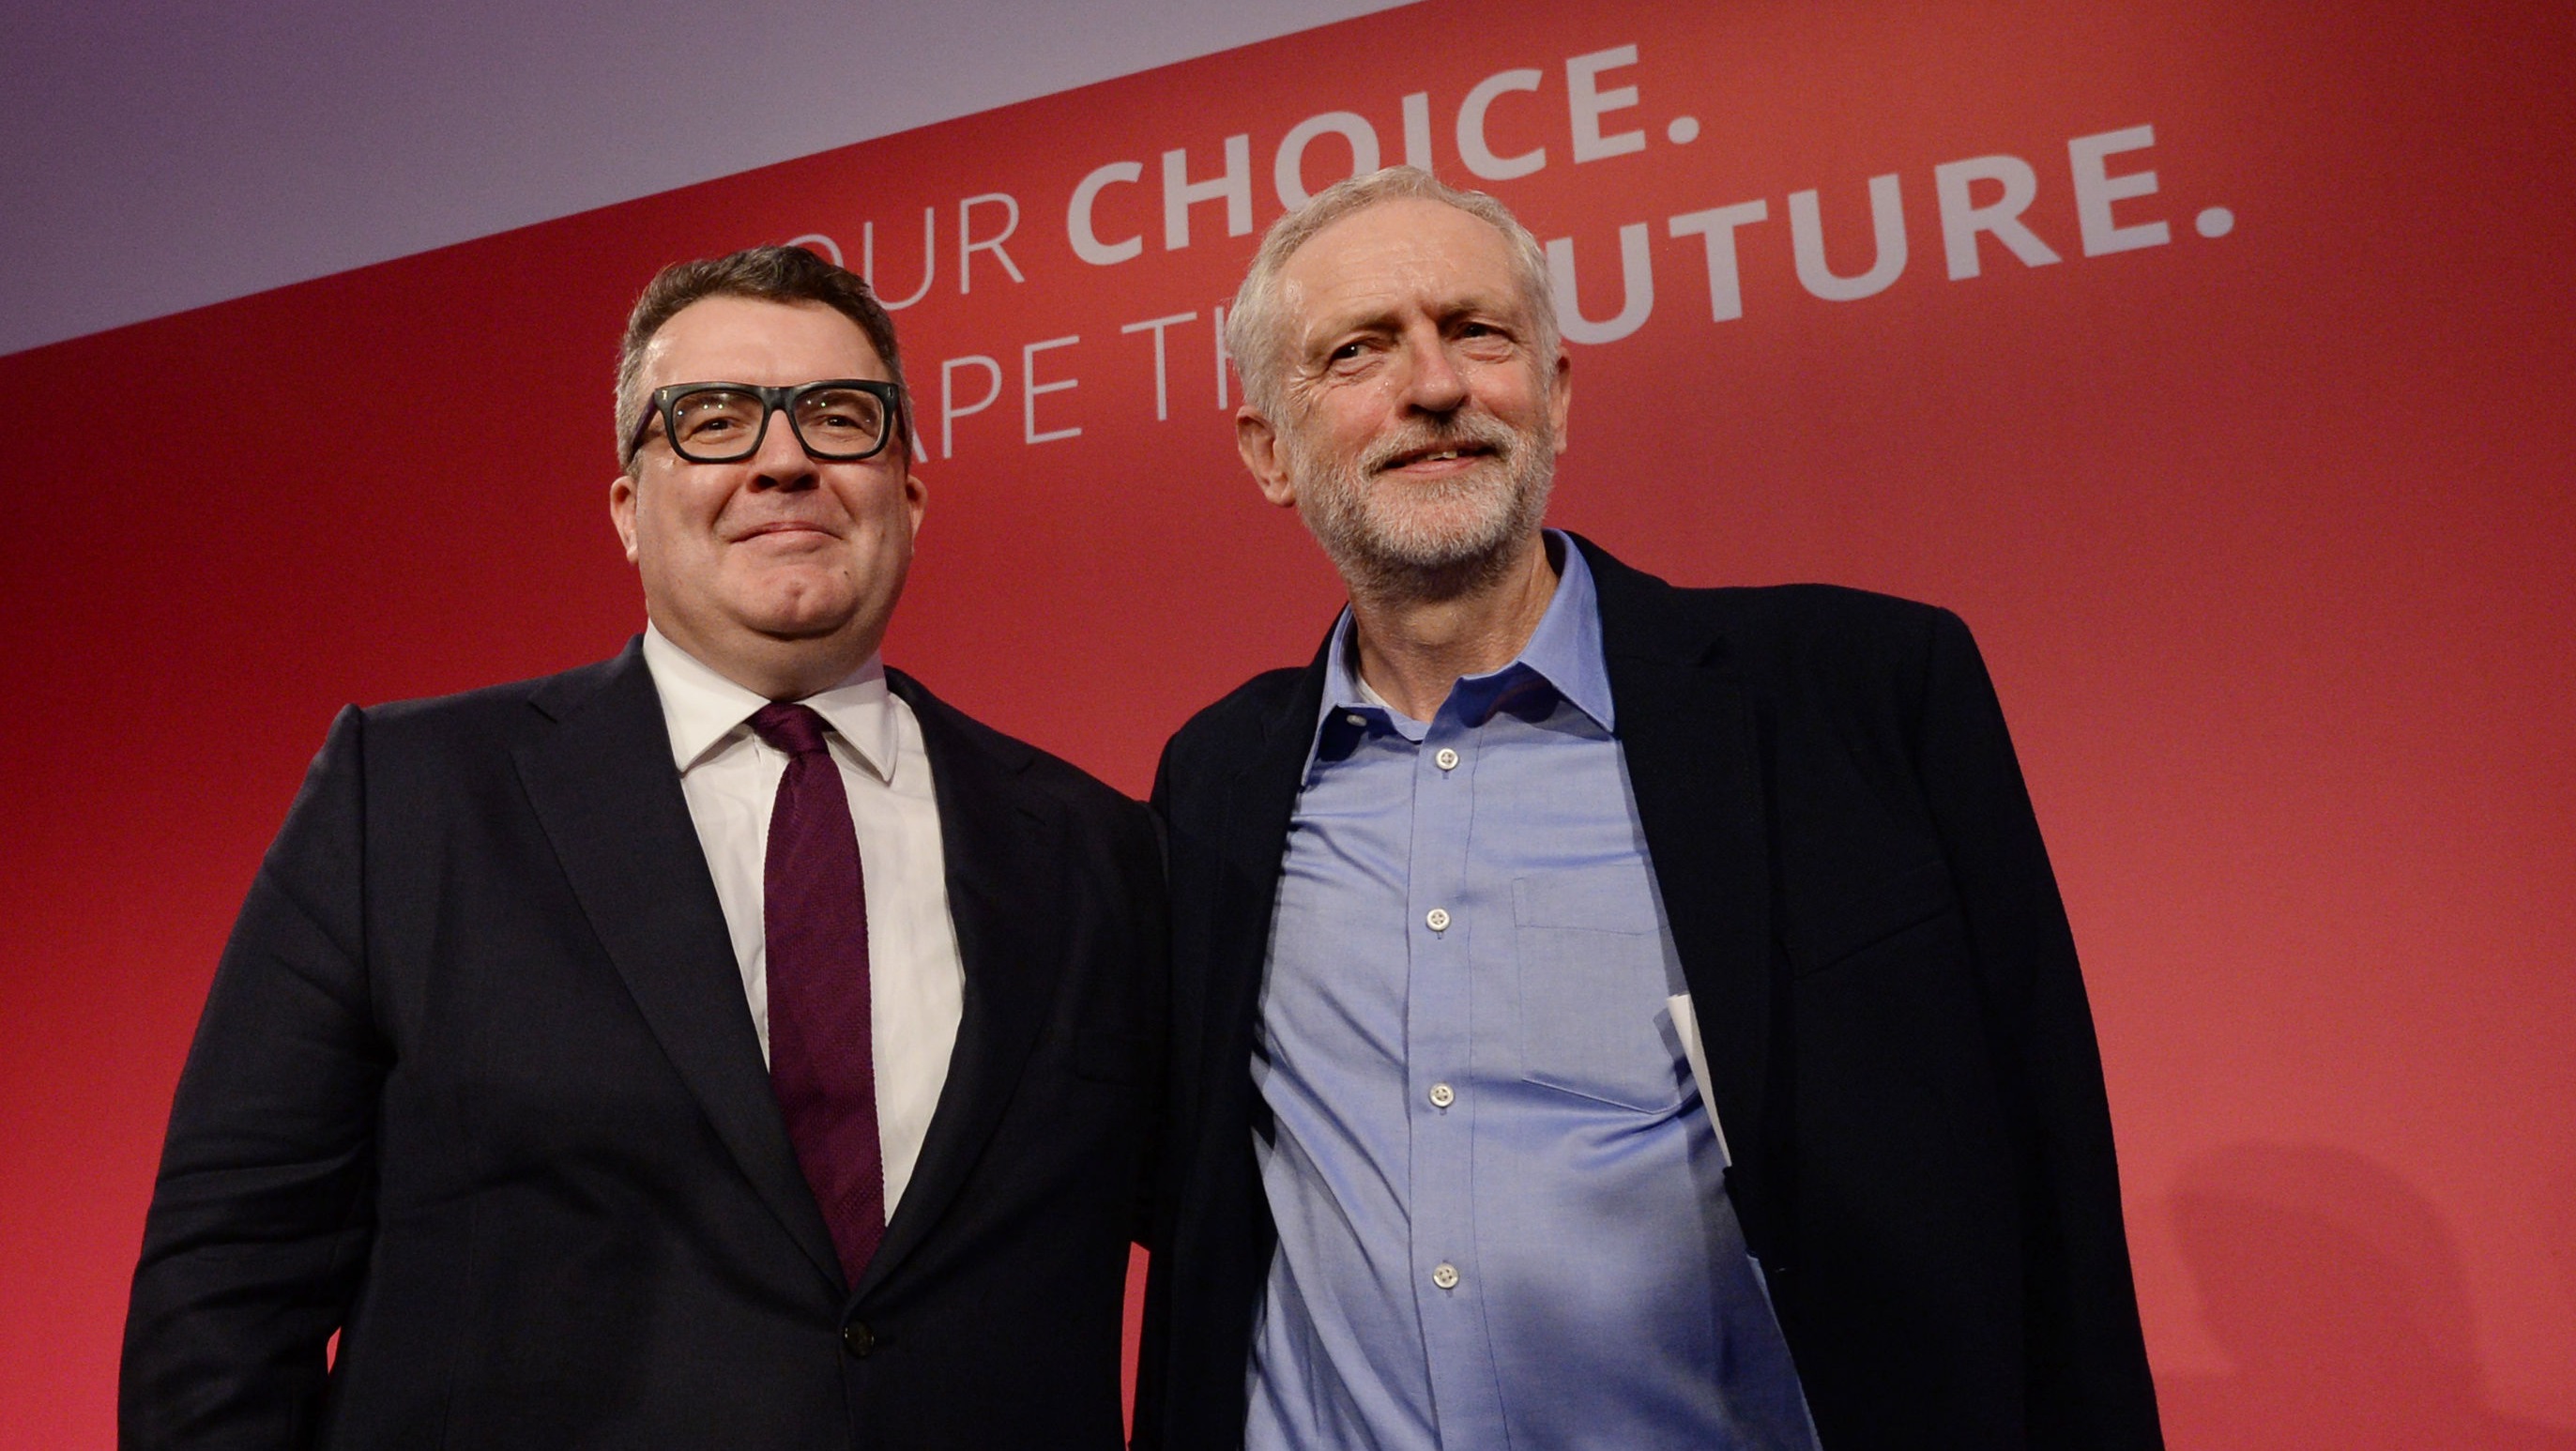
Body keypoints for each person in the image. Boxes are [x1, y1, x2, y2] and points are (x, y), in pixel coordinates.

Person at [1135, 168, 2161, 1449]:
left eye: (1478, 332)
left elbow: (2049, 1176)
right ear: (1269, 452)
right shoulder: (1214, 782)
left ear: (1557, 393)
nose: (1434, 384)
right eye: (1359, 351)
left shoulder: (1860, 699)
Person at [121, 245, 1165, 1449]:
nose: (784, 459)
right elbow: (223, 1291)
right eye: (714, 421)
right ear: (629, 510)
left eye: (840, 417)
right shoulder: (406, 800)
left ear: (910, 497)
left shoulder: (1095, 849)